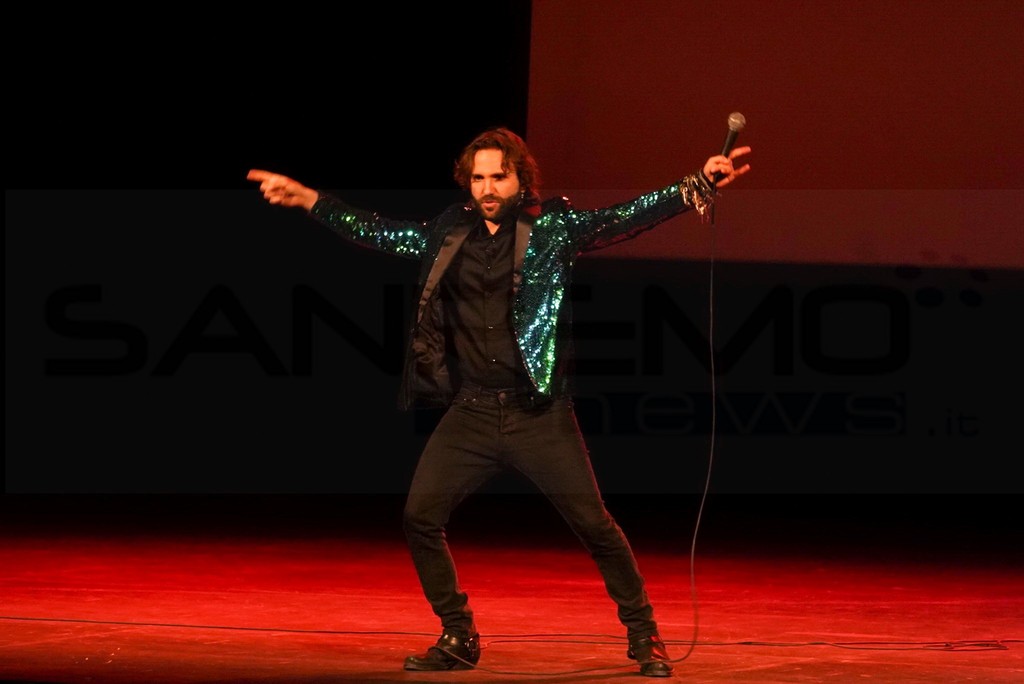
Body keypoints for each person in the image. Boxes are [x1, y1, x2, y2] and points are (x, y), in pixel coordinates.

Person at [247, 127, 750, 677]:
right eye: (479, 178)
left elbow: (623, 217)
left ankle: (643, 633)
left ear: (520, 179)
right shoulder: (449, 231)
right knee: (419, 517)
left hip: (540, 414)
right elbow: (383, 233)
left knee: (594, 525)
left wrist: (697, 183)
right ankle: (458, 633)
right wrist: (312, 200)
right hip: (473, 411)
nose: (488, 188)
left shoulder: (553, 227)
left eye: (499, 177)